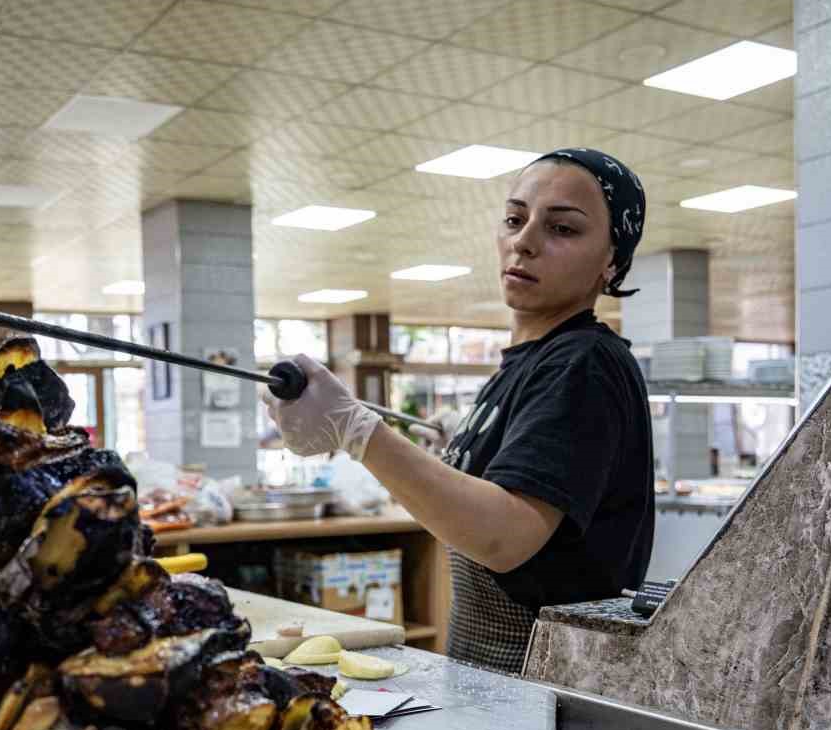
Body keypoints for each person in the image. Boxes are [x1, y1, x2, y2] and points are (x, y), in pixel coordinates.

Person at [264, 148, 655, 674]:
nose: (524, 241)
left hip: (550, 682)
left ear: (612, 259)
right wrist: (450, 452)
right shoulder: (526, 365)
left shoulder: (584, 362)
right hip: (489, 667)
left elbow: (504, 537)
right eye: (515, 219)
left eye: (562, 229)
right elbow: (474, 512)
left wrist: (358, 432)